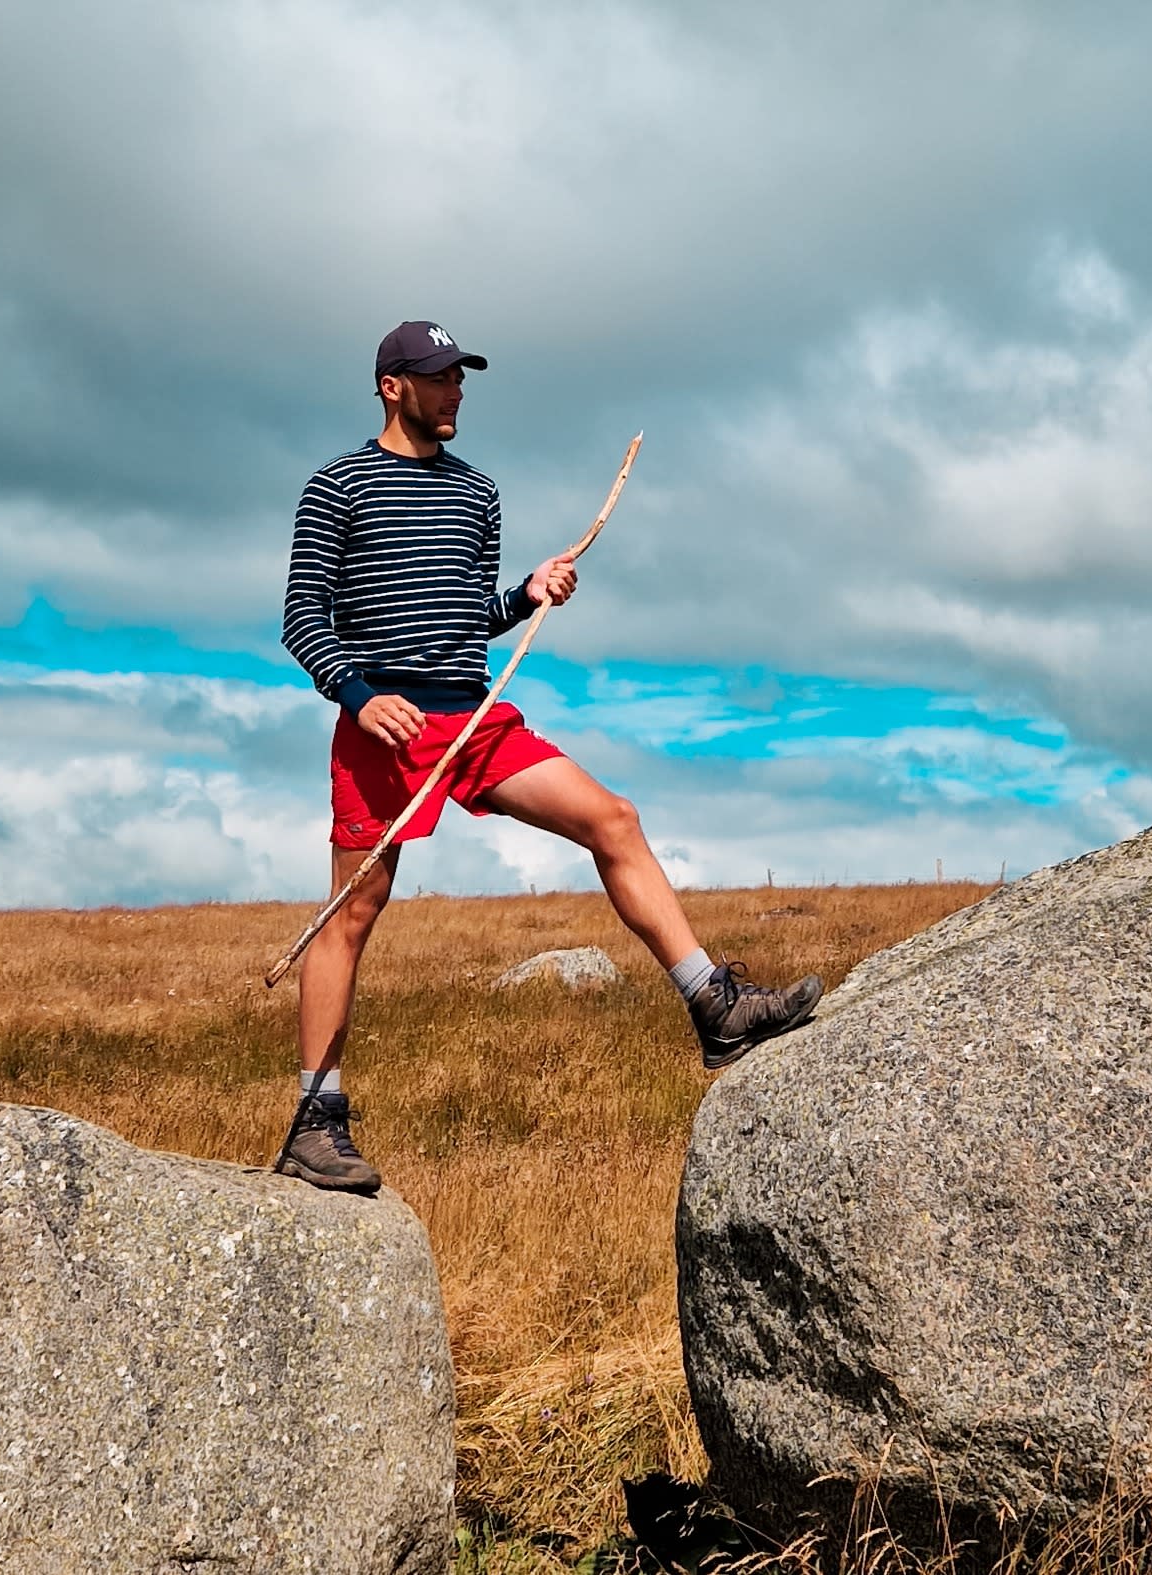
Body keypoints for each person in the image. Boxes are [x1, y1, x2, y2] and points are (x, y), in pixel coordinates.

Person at [273, 319, 824, 1192]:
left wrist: (523, 595)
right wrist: (358, 696)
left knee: (615, 819)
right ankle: (313, 1121)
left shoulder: (477, 494)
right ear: (392, 386)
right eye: (439, 377)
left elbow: (462, 616)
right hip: (385, 724)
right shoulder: (338, 485)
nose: (457, 391)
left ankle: (714, 1007)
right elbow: (302, 619)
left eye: (461, 377)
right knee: (351, 914)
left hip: (474, 720)